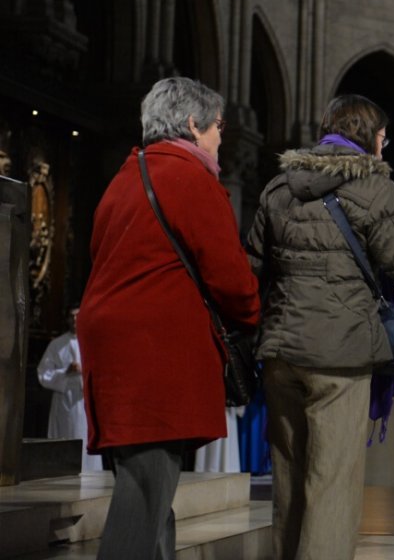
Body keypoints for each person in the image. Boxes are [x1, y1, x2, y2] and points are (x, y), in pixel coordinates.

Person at [244, 94, 394, 560]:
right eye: (384, 140)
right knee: (331, 486)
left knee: (289, 482)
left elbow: (253, 267)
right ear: (375, 141)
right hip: (340, 358)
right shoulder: (375, 188)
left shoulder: (279, 187)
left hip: (280, 354)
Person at [76, 77, 260, 560]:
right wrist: (254, 314)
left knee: (149, 492)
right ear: (194, 124)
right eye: (219, 126)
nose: (222, 138)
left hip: (112, 348)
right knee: (143, 497)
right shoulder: (190, 179)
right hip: (154, 354)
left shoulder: (124, 177)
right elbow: (232, 281)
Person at [36, 306, 103, 471]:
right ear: (66, 320)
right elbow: (43, 373)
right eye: (71, 317)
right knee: (67, 434)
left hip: (85, 399)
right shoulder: (57, 344)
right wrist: (65, 371)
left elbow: (103, 369)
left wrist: (85, 372)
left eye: (78, 317)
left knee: (86, 437)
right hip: (65, 400)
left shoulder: (93, 341)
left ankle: (89, 472)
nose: (74, 320)